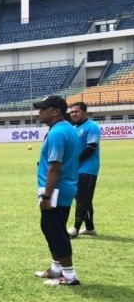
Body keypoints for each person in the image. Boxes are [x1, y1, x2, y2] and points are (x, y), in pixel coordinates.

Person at [31, 96, 81, 286]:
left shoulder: (57, 133)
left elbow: (55, 167)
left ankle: (69, 276)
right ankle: (56, 269)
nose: (40, 112)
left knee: (56, 231)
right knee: (49, 228)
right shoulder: (67, 129)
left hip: (55, 190)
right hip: (62, 187)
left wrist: (47, 195)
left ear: (56, 111)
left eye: (44, 108)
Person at [67, 101, 101, 238]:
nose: (74, 114)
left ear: (85, 112)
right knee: (84, 198)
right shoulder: (72, 128)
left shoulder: (92, 126)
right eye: (72, 112)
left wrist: (72, 163)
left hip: (88, 168)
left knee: (82, 198)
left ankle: (75, 229)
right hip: (76, 168)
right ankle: (90, 228)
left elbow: (90, 149)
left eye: (77, 111)